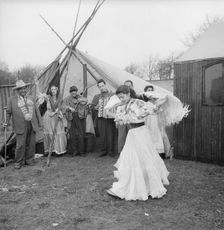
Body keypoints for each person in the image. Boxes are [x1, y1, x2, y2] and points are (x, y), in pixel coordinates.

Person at [107, 85, 169, 201]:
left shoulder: (138, 102)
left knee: (145, 157)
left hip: (141, 132)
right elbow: (113, 113)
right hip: (132, 134)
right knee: (132, 158)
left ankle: (151, 185)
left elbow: (153, 110)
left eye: (123, 97)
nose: (122, 99)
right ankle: (135, 183)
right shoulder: (122, 106)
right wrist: (118, 106)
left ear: (129, 93)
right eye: (120, 98)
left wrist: (157, 103)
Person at [3, 80, 43, 169]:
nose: (23, 90)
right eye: (20, 89)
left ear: (26, 89)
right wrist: (5, 121)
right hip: (20, 125)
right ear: (17, 90)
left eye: (24, 88)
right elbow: (8, 112)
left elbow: (36, 111)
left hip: (32, 124)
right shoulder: (12, 100)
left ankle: (29, 160)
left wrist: (40, 123)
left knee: (31, 143)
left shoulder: (31, 98)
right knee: (20, 145)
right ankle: (18, 162)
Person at [36, 83, 67, 156]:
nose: (53, 91)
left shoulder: (60, 98)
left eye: (54, 89)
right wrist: (37, 85)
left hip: (57, 117)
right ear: (50, 90)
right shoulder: (48, 97)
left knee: (57, 132)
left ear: (57, 90)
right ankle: (50, 150)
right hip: (49, 117)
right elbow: (39, 95)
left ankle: (58, 150)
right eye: (52, 89)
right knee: (49, 133)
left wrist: (58, 111)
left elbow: (63, 108)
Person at [144, 85, 173, 158]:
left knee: (157, 134)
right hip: (148, 120)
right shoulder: (145, 103)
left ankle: (159, 152)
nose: (150, 91)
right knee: (149, 134)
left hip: (155, 119)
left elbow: (159, 110)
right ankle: (149, 152)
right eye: (148, 90)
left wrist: (158, 106)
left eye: (151, 90)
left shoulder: (157, 101)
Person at [91, 79, 117, 157]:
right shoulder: (97, 96)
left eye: (102, 85)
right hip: (101, 117)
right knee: (103, 135)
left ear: (105, 85)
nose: (101, 88)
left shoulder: (112, 95)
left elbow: (117, 104)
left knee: (111, 134)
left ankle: (111, 151)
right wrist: (97, 106)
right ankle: (103, 150)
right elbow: (92, 107)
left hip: (110, 118)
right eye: (99, 87)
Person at [63, 86, 91, 156]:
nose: (74, 93)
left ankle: (81, 151)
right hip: (71, 117)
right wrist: (69, 107)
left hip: (80, 117)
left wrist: (81, 100)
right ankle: (74, 151)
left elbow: (86, 102)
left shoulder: (80, 97)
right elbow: (63, 107)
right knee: (72, 135)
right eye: (72, 92)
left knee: (81, 134)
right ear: (70, 92)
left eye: (75, 91)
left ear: (76, 91)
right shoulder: (67, 99)